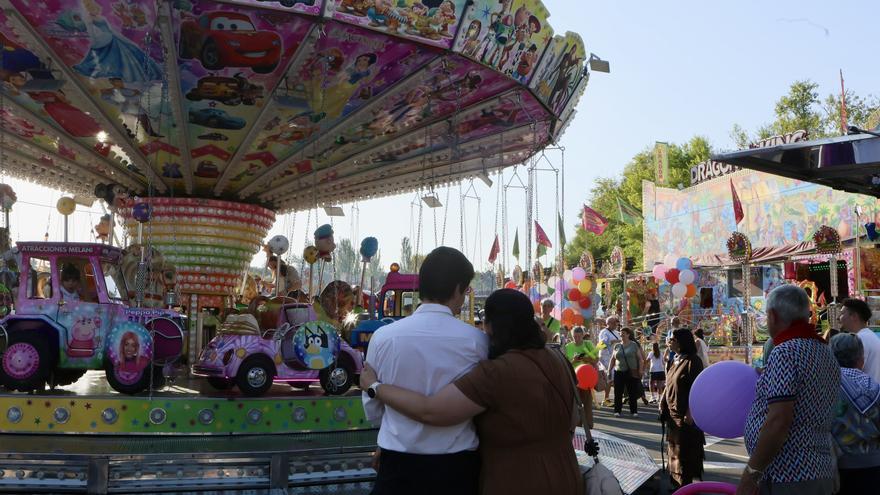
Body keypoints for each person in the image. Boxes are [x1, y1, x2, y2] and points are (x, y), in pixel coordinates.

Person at [361, 288, 589, 494]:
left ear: (490, 326)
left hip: (514, 480)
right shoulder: (559, 359)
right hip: (566, 474)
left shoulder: (496, 373)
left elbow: (431, 411)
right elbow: (573, 419)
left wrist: (374, 387)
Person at [362, 247, 488, 495]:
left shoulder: (383, 337)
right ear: (457, 289)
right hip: (455, 468)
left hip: (397, 466)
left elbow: (373, 408)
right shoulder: (477, 342)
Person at [738, 285, 839, 495]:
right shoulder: (824, 350)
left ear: (773, 316)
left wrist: (752, 473)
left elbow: (779, 421)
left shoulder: (784, 351)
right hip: (819, 468)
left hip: (789, 474)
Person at [828, 333, 880, 494]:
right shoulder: (872, 386)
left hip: (835, 468)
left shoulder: (824, 385)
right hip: (872, 469)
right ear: (861, 359)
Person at [660, 328, 705, 487]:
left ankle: (687, 488)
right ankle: (677, 486)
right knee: (674, 453)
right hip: (672, 415)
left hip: (685, 417)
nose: (669, 341)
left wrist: (690, 412)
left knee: (686, 455)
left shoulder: (693, 361)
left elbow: (697, 388)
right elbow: (668, 382)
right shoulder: (675, 359)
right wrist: (662, 400)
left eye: (672, 339)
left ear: (681, 342)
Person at [840, 298, 880, 384]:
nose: (839, 318)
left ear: (854, 316)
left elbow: (852, 373)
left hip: (865, 394)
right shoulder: (869, 336)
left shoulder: (860, 339)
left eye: (842, 313)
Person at [565, 325, 599, 428]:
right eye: (575, 336)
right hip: (574, 377)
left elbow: (596, 360)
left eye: (579, 336)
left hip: (587, 377)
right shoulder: (568, 347)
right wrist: (574, 360)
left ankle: (589, 424)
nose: (577, 339)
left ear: (582, 335)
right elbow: (566, 364)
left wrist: (585, 359)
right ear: (572, 336)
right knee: (575, 403)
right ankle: (576, 424)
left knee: (587, 402)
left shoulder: (588, 344)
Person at [609, 327, 645, 417]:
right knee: (618, 392)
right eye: (620, 333)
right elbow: (612, 359)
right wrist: (609, 370)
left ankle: (634, 411)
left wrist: (640, 370)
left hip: (631, 372)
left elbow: (640, 359)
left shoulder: (633, 345)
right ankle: (617, 411)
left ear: (628, 334)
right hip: (619, 371)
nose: (621, 335)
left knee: (632, 392)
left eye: (623, 333)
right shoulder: (617, 346)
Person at [598, 315, 621, 405]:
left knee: (616, 377)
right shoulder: (603, 332)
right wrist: (615, 342)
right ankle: (606, 399)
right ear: (608, 323)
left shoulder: (616, 332)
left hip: (615, 357)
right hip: (606, 357)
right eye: (614, 323)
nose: (616, 324)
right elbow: (602, 344)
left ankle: (618, 396)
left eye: (616, 322)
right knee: (610, 376)